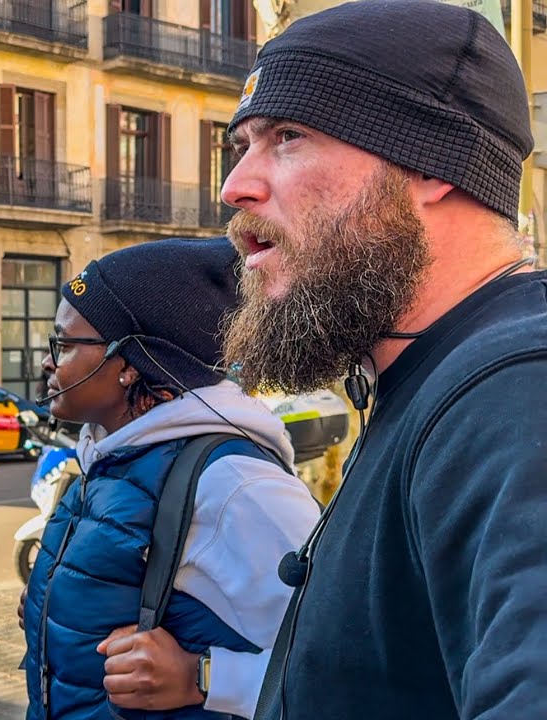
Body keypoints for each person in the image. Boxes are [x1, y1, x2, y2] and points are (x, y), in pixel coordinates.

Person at [218, 2, 547, 719]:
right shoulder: (430, 373)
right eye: (241, 145)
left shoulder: (520, 389)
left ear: (433, 164)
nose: (234, 186)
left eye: (289, 137)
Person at [22, 238, 319, 720]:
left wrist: (202, 677)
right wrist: (49, 613)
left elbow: (350, 666)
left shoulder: (237, 485)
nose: (48, 361)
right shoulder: (111, 454)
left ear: (127, 364)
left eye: (66, 343)